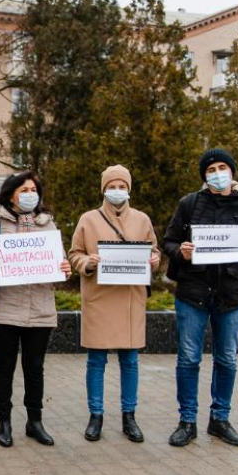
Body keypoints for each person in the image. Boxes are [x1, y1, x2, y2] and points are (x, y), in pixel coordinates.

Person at [163, 148, 238, 447]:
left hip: (231, 295)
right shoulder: (189, 204)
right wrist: (179, 250)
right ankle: (187, 420)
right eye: (211, 169)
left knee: (227, 359)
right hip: (192, 294)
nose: (217, 173)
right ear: (204, 176)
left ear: (232, 171)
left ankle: (220, 419)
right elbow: (169, 240)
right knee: (188, 358)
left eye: (222, 167)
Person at [0, 171, 72, 447]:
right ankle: (5, 422)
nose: (29, 194)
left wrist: (64, 268)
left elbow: (58, 261)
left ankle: (34, 422)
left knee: (35, 368)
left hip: (40, 310)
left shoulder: (47, 225)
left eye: (33, 189)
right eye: (24, 190)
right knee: (5, 367)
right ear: (11, 193)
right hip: (3, 310)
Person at [69, 165, 160, 443]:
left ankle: (129, 416)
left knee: (129, 360)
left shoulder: (142, 220)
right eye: (112, 186)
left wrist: (154, 260)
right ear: (103, 189)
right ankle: (96, 416)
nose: (117, 191)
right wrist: (86, 262)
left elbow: (153, 250)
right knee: (96, 360)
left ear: (129, 189)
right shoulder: (88, 219)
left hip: (130, 298)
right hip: (99, 297)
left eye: (122, 186)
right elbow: (75, 253)